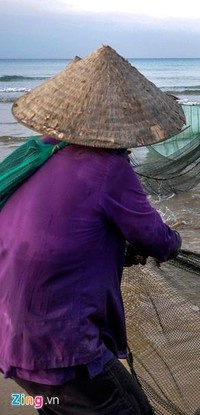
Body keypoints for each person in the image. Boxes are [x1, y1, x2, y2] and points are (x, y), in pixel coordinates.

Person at [0, 45, 185, 414]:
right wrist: (172, 242)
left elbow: (58, 233)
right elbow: (156, 238)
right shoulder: (107, 167)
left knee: (48, 405)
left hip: (12, 341)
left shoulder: (37, 154)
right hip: (60, 346)